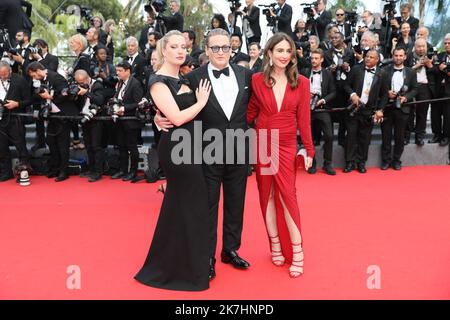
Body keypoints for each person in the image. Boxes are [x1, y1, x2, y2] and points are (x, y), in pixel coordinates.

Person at [155, 28, 253, 281]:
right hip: (207, 152)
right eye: (215, 48)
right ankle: (206, 256)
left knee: (236, 203)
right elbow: (174, 102)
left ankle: (230, 250)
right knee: (207, 207)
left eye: (225, 48)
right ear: (207, 50)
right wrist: (158, 117)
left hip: (239, 149)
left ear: (232, 49)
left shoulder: (247, 76)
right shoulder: (194, 77)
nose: (221, 52)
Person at [135, 30, 212, 291]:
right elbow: (177, 118)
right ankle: (180, 268)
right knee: (190, 205)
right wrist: (201, 102)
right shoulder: (158, 81)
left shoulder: (185, 77)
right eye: (175, 47)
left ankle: (185, 263)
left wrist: (158, 117)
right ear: (164, 50)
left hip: (194, 147)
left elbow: (173, 114)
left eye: (184, 46)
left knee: (183, 207)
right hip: (177, 150)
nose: (180, 51)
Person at [247, 32, 314, 278]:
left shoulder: (302, 82)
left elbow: (304, 120)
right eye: (279, 51)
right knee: (268, 195)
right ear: (269, 53)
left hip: (285, 144)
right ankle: (274, 243)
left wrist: (308, 148)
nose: (284, 55)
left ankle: (298, 252)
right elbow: (250, 112)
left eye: (288, 51)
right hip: (264, 142)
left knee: (288, 195)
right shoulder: (256, 80)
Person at [27, 61, 79, 182]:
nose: (33, 78)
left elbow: (65, 94)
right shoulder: (43, 80)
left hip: (63, 115)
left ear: (38, 70)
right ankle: (55, 168)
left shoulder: (56, 77)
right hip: (51, 115)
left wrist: (50, 97)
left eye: (33, 75)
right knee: (51, 142)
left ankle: (64, 171)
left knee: (63, 144)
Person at [343, 49, 387, 173]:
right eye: (367, 56)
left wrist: (380, 110)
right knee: (351, 136)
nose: (368, 59)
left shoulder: (381, 73)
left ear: (377, 60)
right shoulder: (356, 69)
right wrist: (352, 94)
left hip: (369, 111)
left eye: (371, 57)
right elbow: (346, 85)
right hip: (354, 109)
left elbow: (384, 95)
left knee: (365, 138)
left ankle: (361, 162)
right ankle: (349, 162)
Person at [379, 47, 418, 170]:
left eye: (401, 55)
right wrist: (387, 93)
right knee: (386, 136)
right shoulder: (384, 71)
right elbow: (379, 89)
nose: (398, 58)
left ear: (405, 57)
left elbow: (415, 89)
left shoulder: (411, 72)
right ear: (392, 56)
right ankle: (385, 161)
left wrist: (405, 98)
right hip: (387, 107)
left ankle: (396, 160)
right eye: (396, 55)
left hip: (403, 109)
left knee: (399, 137)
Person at [110, 61, 144, 182]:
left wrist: (124, 108)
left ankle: (133, 171)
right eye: (117, 70)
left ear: (128, 71)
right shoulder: (119, 83)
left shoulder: (135, 84)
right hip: (119, 120)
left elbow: (138, 103)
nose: (117, 73)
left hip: (131, 121)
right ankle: (122, 170)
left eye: (120, 71)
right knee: (121, 146)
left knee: (132, 147)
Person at [305, 49, 336, 175]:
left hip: (322, 109)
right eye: (312, 58)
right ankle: (312, 163)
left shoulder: (327, 74)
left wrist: (323, 100)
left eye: (316, 58)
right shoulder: (305, 72)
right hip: (307, 110)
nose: (313, 61)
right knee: (310, 138)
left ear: (322, 59)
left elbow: (334, 92)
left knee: (329, 136)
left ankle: (327, 164)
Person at [0, 61, 32, 183]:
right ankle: (6, 172)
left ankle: (24, 173)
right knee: (1, 147)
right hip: (1, 119)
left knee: (21, 146)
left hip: (15, 118)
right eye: (0, 75)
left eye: (4, 74)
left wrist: (17, 104)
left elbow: (29, 100)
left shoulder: (20, 80)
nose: (2, 77)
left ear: (10, 71)